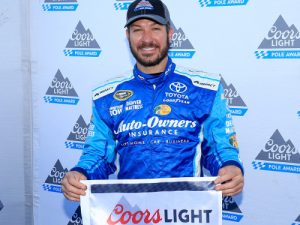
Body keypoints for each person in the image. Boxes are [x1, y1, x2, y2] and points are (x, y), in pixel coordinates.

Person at [62, 0, 244, 202]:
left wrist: (230, 165)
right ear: (127, 36)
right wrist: (81, 174)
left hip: (188, 213)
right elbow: (97, 155)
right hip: (131, 213)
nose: (146, 39)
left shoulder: (205, 88)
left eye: (155, 29)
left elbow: (220, 148)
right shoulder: (106, 95)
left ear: (170, 33)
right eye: (137, 30)